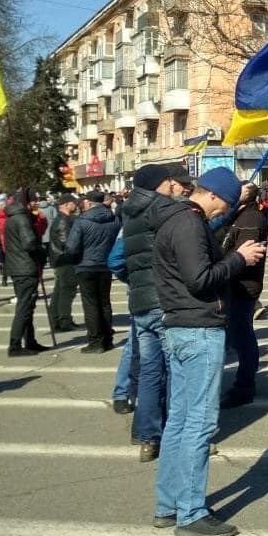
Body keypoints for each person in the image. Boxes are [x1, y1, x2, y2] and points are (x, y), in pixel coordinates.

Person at [152, 167, 265, 536]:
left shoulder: (181, 219)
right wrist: (238, 259)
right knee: (198, 423)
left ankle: (171, 504)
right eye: (225, 205)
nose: (223, 212)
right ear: (213, 195)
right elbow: (199, 279)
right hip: (197, 329)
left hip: (184, 326)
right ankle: (189, 512)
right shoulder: (187, 224)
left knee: (180, 422)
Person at [111, 164, 191, 461]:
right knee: (176, 370)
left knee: (148, 370)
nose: (176, 185)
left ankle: (147, 437)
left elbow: (116, 261)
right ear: (162, 183)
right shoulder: (165, 211)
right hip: (166, 301)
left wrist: (136, 281)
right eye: (171, 181)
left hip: (140, 303)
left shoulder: (129, 214)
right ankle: (176, 436)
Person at [219, 183, 268, 408]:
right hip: (232, 283)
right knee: (234, 336)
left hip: (242, 285)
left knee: (242, 336)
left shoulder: (250, 218)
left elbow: (244, 253)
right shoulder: (236, 215)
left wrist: (223, 263)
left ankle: (244, 386)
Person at [65, 188, 121, 354]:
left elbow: (72, 247)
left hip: (86, 265)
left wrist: (71, 258)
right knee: (104, 302)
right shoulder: (114, 219)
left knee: (90, 304)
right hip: (106, 265)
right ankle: (107, 339)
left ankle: (96, 341)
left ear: (89, 202)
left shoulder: (82, 221)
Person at [4, 190, 49, 357]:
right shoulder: (22, 218)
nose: (36, 203)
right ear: (25, 202)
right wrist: (42, 252)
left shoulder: (14, 217)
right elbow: (29, 243)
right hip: (25, 268)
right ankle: (14, 345)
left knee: (27, 306)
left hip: (18, 267)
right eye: (33, 200)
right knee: (24, 306)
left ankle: (30, 341)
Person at [47, 194, 81, 330]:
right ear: (66, 204)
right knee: (67, 291)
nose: (76, 205)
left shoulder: (63, 219)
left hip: (61, 260)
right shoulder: (63, 221)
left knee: (59, 291)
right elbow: (66, 243)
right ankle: (64, 321)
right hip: (65, 260)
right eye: (74, 203)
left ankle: (55, 319)